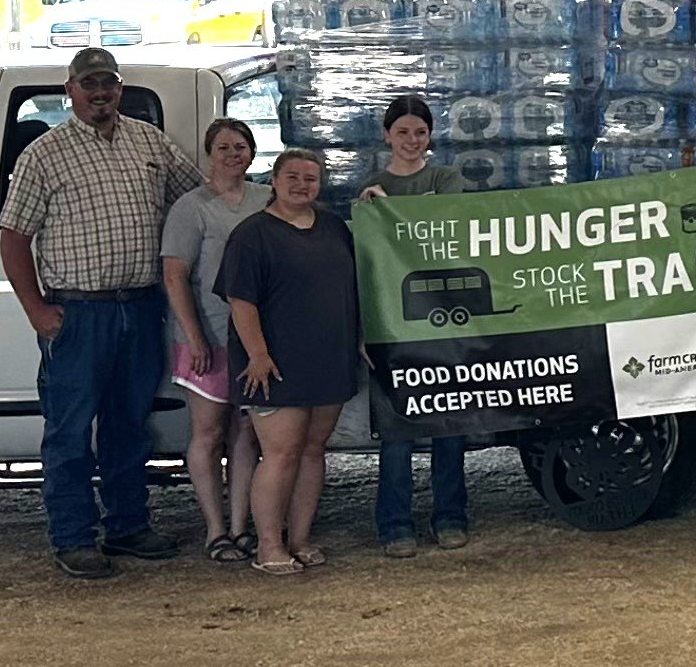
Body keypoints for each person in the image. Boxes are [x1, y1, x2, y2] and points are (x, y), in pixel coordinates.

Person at [0, 44, 200, 580]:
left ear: (119, 88)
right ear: (70, 92)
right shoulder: (45, 154)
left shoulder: (149, 142)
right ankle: (73, 537)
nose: (100, 93)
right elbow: (14, 238)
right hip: (77, 314)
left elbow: (197, 200)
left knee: (128, 425)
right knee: (69, 430)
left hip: (140, 306)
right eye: (89, 85)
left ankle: (128, 526)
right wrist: (36, 309)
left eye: (108, 83)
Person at [220, 145, 362, 575]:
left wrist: (357, 341)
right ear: (274, 181)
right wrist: (258, 355)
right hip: (274, 363)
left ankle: (299, 538)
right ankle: (268, 546)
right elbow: (240, 301)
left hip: (328, 357)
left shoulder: (335, 228)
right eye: (293, 177)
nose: (302, 185)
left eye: (310, 178)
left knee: (313, 451)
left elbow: (351, 290)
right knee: (279, 453)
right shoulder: (251, 234)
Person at [353, 92, 472, 556]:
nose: (411, 140)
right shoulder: (371, 187)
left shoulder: (446, 178)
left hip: (444, 321)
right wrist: (366, 329)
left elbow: (446, 223)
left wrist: (389, 213)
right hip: (392, 326)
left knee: (449, 426)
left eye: (420, 132)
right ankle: (394, 523)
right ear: (387, 135)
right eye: (402, 131)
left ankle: (450, 515)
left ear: (430, 136)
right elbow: (366, 266)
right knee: (397, 431)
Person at [158, 114, 265, 565]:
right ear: (209, 154)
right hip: (206, 336)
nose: (233, 154)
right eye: (223, 147)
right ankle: (214, 529)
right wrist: (195, 336)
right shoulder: (191, 207)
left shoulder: (266, 198)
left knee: (246, 432)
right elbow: (174, 274)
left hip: (252, 337)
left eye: (240, 146)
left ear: (252, 152)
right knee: (207, 432)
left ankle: (242, 525)